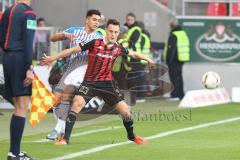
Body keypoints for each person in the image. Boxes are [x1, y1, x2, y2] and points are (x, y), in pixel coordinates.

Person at [41, 19, 155, 145]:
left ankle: (132, 136)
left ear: (118, 33)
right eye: (111, 31)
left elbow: (133, 54)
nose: (113, 34)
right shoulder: (94, 42)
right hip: (89, 82)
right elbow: (71, 50)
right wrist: (53, 58)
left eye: (115, 32)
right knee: (77, 104)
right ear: (106, 31)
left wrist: (148, 58)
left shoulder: (118, 48)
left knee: (126, 112)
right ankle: (65, 139)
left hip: (107, 84)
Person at [45, 9, 104, 141]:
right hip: (70, 70)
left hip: (85, 73)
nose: (96, 23)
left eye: (99, 21)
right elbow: (52, 38)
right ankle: (61, 126)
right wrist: (64, 35)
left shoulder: (99, 36)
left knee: (68, 97)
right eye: (94, 20)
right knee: (56, 99)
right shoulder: (74, 31)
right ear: (86, 20)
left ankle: (57, 130)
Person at [0, 0, 36, 159]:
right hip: (20, 58)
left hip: (7, 57)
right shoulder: (29, 13)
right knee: (22, 105)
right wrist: (29, 66)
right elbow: (29, 42)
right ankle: (14, 154)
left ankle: (14, 152)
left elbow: (1, 38)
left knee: (17, 104)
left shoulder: (7, 11)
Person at [163, 21, 190, 100]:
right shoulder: (183, 34)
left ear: (172, 27)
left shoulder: (174, 35)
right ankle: (181, 94)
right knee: (179, 77)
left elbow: (171, 49)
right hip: (182, 59)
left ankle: (175, 95)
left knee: (174, 78)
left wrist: (169, 61)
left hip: (174, 59)